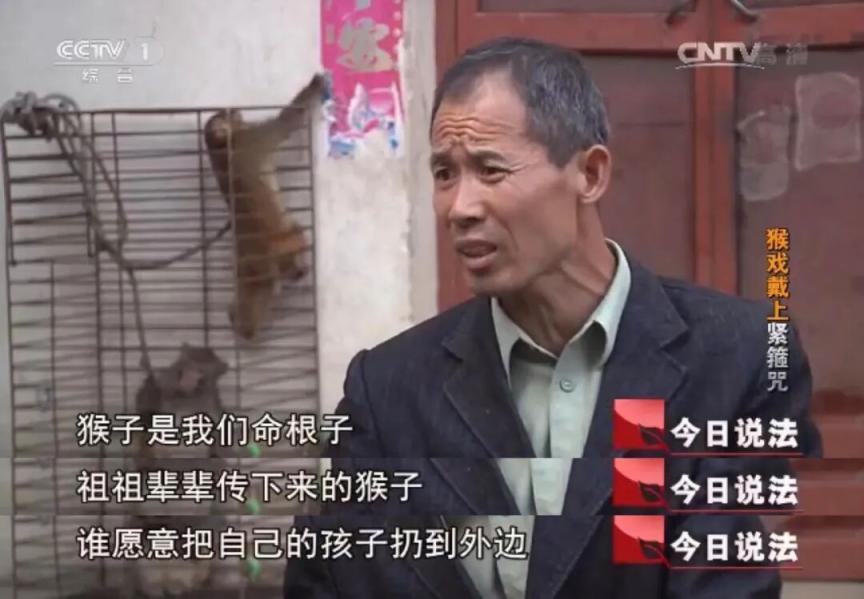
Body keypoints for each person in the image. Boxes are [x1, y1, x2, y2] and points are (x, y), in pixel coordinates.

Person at [284, 37, 821, 598]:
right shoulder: (387, 390)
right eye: (444, 173)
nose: (460, 208)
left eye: (490, 169)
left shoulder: (736, 359)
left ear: (589, 174)